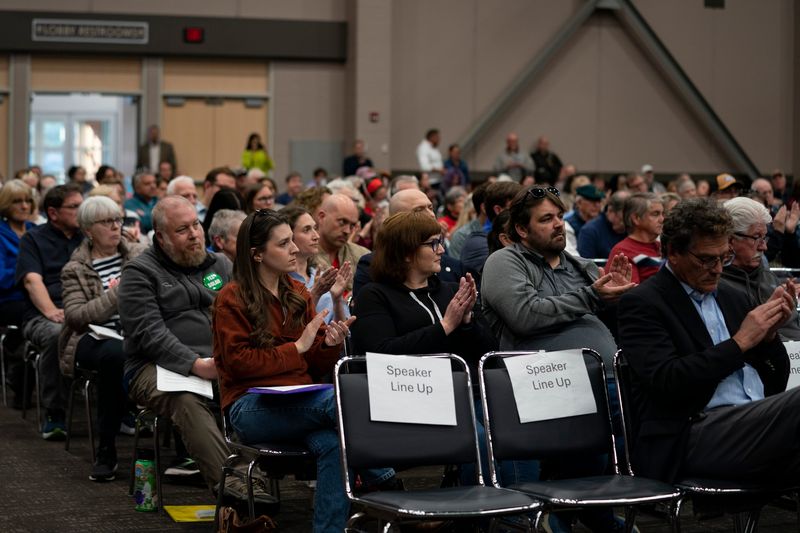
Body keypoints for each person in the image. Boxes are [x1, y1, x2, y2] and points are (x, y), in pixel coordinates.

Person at [212, 209, 391, 533]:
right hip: (249, 406)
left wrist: (330, 343)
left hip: (302, 401)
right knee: (338, 400)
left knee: (335, 444)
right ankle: (390, 484)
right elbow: (238, 364)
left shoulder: (296, 294)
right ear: (257, 254)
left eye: (293, 241)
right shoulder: (231, 298)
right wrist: (296, 348)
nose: (295, 248)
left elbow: (316, 363)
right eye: (284, 243)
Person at [481, 185, 636, 532]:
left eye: (558, 218)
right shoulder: (504, 262)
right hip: (539, 380)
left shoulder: (579, 266)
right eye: (546, 219)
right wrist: (592, 297)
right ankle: (589, 513)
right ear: (522, 230)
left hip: (600, 375)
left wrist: (621, 299)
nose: (558, 225)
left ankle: (577, 512)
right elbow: (525, 315)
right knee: (620, 405)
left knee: (636, 394)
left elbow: (604, 314)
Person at [617, 197, 800, 484]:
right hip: (692, 431)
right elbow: (668, 382)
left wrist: (769, 336)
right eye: (706, 259)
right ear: (673, 253)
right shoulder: (642, 303)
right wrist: (739, 343)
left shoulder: (731, 295)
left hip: (754, 422)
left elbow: (775, 382)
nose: (717, 269)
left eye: (723, 258)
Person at [118, 195, 272, 505]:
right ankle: (237, 486)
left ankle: (258, 481)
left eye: (196, 226)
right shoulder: (139, 272)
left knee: (256, 393)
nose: (194, 234)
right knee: (187, 400)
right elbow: (150, 334)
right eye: (182, 230)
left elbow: (247, 314)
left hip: (219, 361)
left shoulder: (220, 264)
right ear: (160, 237)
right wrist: (194, 364)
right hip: (154, 367)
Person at [59, 196, 147, 481]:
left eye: (118, 220)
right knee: (115, 354)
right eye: (106, 222)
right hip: (91, 338)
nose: (115, 227)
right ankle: (106, 450)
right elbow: (75, 316)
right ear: (88, 230)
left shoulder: (138, 254)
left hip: (136, 331)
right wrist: (115, 296)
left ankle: (186, 452)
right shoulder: (75, 268)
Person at [16, 184, 84, 439]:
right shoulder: (33, 239)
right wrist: (52, 311)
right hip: (42, 313)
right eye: (75, 206)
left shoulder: (87, 237)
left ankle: (125, 412)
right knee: (58, 335)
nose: (82, 210)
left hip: (83, 308)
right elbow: (32, 280)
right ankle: (54, 413)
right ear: (53, 213)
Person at [353, 189, 464, 298]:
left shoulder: (453, 266)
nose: (431, 215)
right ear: (397, 219)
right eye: (419, 210)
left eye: (430, 208)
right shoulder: (374, 264)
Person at [721, 197, 800, 340]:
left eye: (764, 238)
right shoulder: (716, 286)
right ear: (730, 240)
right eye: (756, 237)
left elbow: (792, 326)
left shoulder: (766, 275)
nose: (764, 247)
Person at [0, 181, 37, 407]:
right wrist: (28, 272)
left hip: (36, 296)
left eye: (27, 201)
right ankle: (20, 378)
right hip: (8, 299)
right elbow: (1, 278)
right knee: (35, 319)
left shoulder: (35, 231)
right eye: (17, 201)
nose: (24, 206)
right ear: (5, 204)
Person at [281, 206, 351, 325]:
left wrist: (338, 299)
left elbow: (345, 330)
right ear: (289, 237)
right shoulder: (280, 281)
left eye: (315, 228)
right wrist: (315, 293)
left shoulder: (323, 277)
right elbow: (288, 330)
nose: (316, 236)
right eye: (306, 230)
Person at [313, 193, 369, 295]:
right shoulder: (302, 255)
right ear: (322, 217)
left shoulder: (362, 256)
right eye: (342, 222)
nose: (347, 231)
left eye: (352, 225)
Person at [608, 193, 664, 284]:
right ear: (636, 219)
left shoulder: (661, 246)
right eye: (655, 214)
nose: (662, 219)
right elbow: (631, 294)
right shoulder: (622, 252)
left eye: (662, 214)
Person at [577, 190, 629, 260]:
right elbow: (586, 266)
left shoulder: (632, 229)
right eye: (623, 218)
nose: (628, 222)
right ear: (610, 211)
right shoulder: (590, 231)